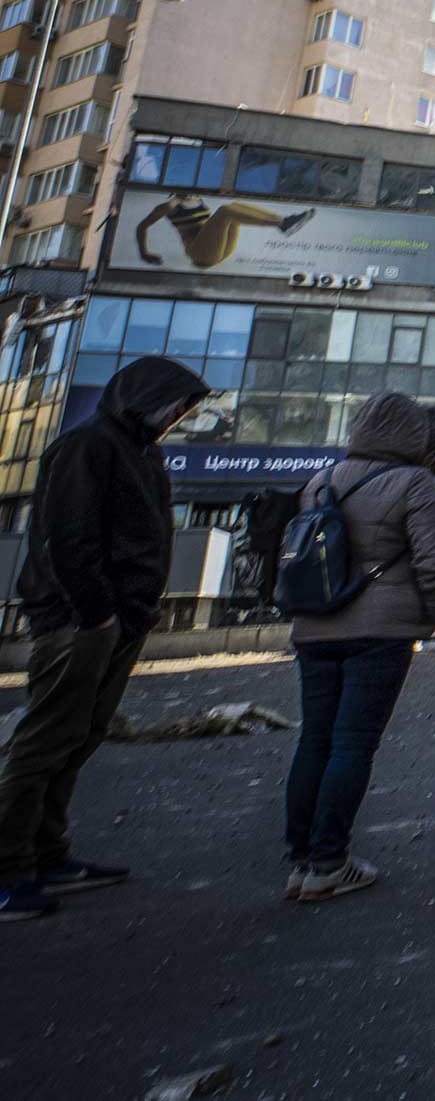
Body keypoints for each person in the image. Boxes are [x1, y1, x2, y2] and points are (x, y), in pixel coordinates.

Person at [0, 357, 209, 923]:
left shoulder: (139, 450)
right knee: (44, 740)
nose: (180, 417)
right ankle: (8, 868)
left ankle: (47, 854)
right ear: (145, 398)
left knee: (80, 736)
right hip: (80, 623)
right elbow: (70, 537)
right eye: (177, 405)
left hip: (116, 621)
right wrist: (96, 616)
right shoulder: (88, 446)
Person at [281, 392, 435, 903]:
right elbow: (434, 559)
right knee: (353, 742)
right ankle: (331, 861)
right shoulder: (413, 482)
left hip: (315, 628)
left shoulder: (321, 482)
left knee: (314, 739)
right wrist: (432, 612)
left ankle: (301, 860)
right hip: (380, 633)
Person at [130, 193, 312, 267]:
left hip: (221, 251)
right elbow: (141, 227)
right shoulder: (169, 206)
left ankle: (283, 222)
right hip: (199, 253)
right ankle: (282, 224)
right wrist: (144, 254)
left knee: (232, 207)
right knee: (225, 211)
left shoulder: (198, 198)